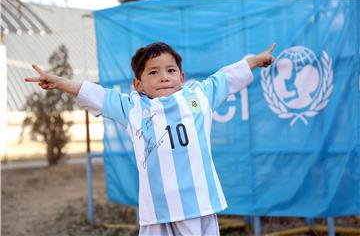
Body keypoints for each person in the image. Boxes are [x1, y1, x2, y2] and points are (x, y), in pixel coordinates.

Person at [26, 42, 275, 235]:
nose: (164, 76)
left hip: (198, 204)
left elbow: (226, 78)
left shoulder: (198, 96)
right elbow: (96, 93)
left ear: (181, 77)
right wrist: (59, 82)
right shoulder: (132, 107)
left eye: (170, 70)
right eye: (153, 72)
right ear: (138, 84)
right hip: (157, 209)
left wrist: (254, 60)